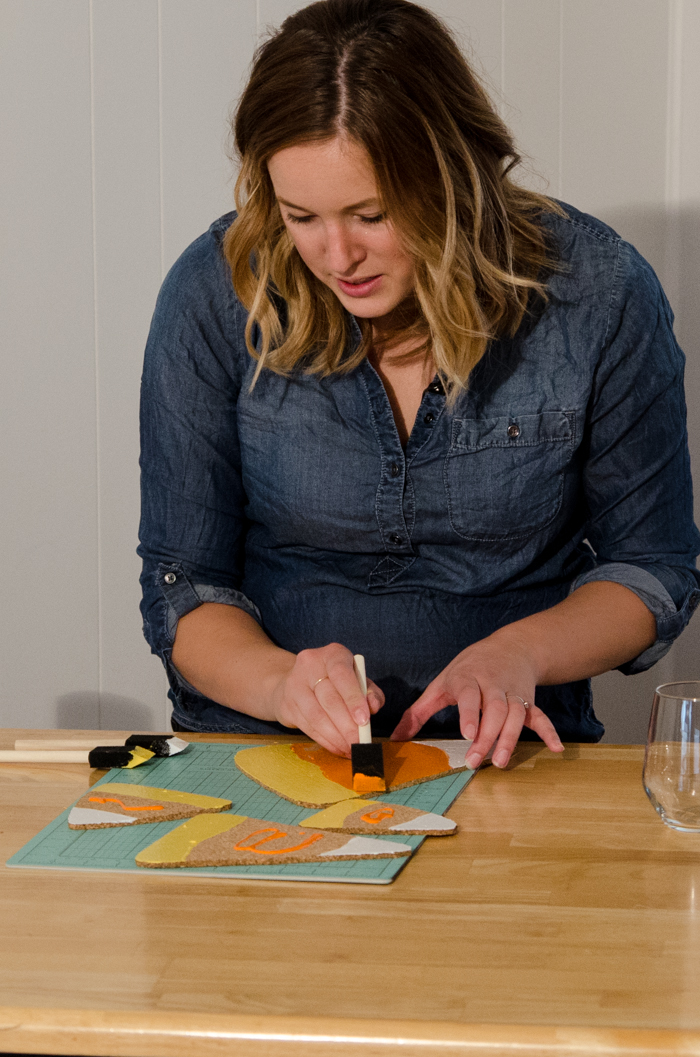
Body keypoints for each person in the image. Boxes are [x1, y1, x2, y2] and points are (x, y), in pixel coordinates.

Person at [138, 0, 700, 771]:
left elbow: (655, 568)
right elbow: (183, 585)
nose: (338, 257)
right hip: (266, 746)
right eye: (302, 216)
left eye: (371, 214)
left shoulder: (597, 295)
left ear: (454, 176)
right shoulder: (215, 292)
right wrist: (281, 685)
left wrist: (520, 653)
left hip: (503, 752)